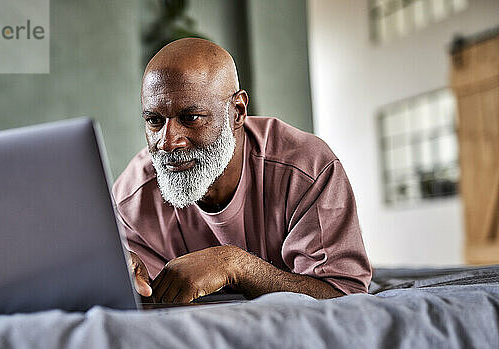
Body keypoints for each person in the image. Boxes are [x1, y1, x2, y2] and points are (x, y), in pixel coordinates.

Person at [113, 38, 371, 303]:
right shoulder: (131, 197)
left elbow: (344, 296)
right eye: (154, 121)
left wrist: (236, 266)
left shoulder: (306, 168)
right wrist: (124, 279)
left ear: (237, 111)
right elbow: (141, 299)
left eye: (190, 118)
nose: (167, 142)